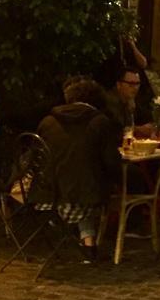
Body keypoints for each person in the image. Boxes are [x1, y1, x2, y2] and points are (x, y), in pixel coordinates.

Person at [30, 78, 120, 257]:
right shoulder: (100, 122)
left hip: (47, 193)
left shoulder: (47, 121)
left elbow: (36, 157)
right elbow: (112, 161)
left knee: (77, 177)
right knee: (88, 179)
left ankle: (85, 243)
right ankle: (90, 244)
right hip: (84, 196)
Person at [104, 66, 154, 139]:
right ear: (119, 85)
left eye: (137, 84)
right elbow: (117, 129)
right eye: (131, 84)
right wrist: (137, 129)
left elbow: (147, 120)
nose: (135, 88)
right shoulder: (110, 101)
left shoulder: (133, 100)